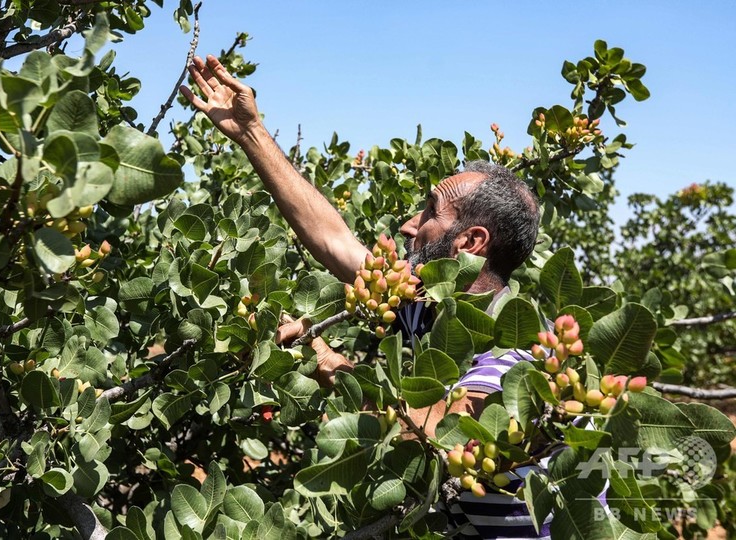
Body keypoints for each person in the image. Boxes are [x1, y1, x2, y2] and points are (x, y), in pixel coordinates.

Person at [180, 55, 550, 539]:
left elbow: (440, 436)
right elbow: (334, 239)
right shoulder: (427, 305)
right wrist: (251, 133)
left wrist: (324, 355)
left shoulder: (518, 355)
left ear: (469, 243)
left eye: (429, 212)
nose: (408, 225)